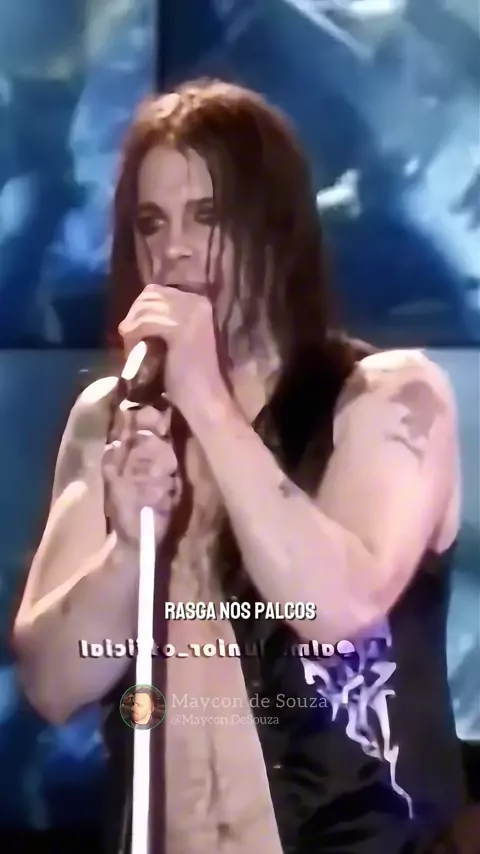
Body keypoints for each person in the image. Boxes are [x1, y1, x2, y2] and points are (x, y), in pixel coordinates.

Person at [12, 78, 466, 854]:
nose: (175, 249)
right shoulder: (115, 419)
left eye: (208, 215)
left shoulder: (385, 396)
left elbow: (339, 610)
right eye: (152, 223)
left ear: (274, 227)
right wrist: (126, 551)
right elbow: (52, 683)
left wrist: (208, 399)